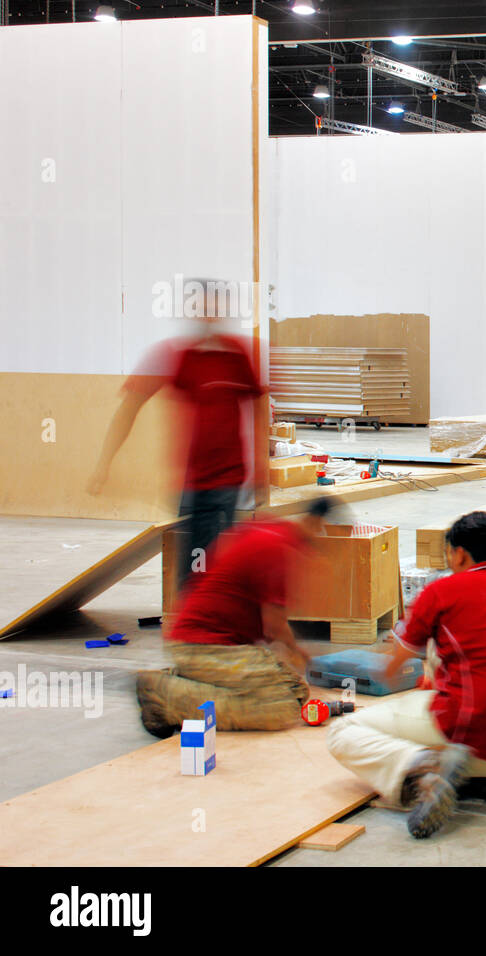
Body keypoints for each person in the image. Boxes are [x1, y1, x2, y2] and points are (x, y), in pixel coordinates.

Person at [327, 511, 486, 838]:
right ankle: (467, 776)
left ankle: (423, 769)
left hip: (471, 738)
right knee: (449, 651)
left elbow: (391, 671)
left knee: (343, 731)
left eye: (450, 554)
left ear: (459, 553)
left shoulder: (444, 592)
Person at [88, 279, 264, 591]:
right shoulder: (176, 355)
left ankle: (206, 621)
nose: (209, 314)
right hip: (192, 481)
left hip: (229, 480)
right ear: (193, 311)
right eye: (203, 307)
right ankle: (194, 624)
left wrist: (261, 469)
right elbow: (129, 407)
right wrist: (104, 463)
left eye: (215, 308)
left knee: (218, 563)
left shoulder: (237, 355)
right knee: (195, 564)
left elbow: (259, 404)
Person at [135, 496, 337, 737]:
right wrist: (295, 652)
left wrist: (294, 651)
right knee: (280, 707)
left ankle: (184, 680)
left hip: (208, 642)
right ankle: (164, 696)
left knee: (295, 690)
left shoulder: (273, 532)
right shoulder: (280, 549)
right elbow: (273, 626)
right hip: (205, 646)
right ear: (316, 523)